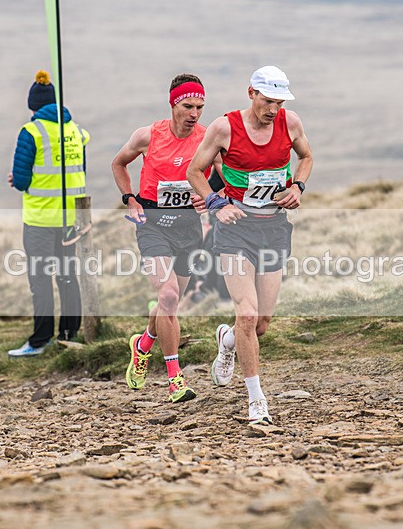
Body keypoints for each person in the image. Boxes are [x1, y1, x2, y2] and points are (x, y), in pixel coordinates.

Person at [187, 65, 313, 425]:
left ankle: (227, 340)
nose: (273, 109)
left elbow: (306, 157)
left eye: (279, 102)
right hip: (236, 229)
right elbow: (195, 171)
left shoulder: (290, 124)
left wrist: (297, 187)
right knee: (246, 312)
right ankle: (257, 400)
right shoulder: (225, 128)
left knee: (260, 323)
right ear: (251, 94)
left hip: (273, 228)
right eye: (267, 101)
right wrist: (216, 204)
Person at [111, 73, 221, 403]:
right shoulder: (148, 136)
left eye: (200, 107)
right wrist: (129, 198)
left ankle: (142, 344)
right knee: (169, 295)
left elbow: (227, 172)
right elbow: (118, 164)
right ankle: (175, 379)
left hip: (188, 228)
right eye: (188, 106)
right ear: (173, 104)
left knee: (169, 302)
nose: (194, 114)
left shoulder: (207, 139)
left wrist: (210, 194)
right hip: (152, 224)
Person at [7, 70, 90, 357]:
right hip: (70, 220)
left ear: (33, 106)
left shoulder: (31, 132)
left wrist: (16, 178)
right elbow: (80, 171)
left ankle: (39, 341)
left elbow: (21, 181)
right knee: (68, 276)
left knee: (40, 280)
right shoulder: (76, 132)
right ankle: (69, 334)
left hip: (41, 220)